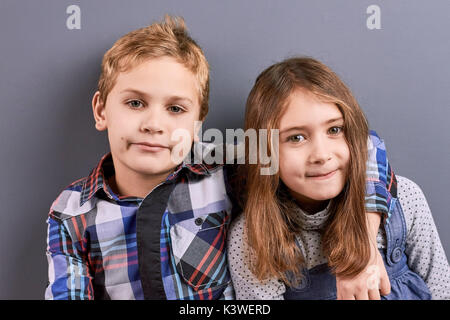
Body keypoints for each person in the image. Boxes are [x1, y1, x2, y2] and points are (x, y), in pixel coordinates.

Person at [45, 15, 393, 300]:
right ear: (101, 109)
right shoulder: (71, 212)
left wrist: (363, 245)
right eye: (135, 103)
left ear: (198, 125)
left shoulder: (222, 172)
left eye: (176, 108)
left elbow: (364, 145)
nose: (154, 125)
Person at [227, 57, 450, 300]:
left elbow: (441, 289)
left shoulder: (404, 200)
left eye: (334, 130)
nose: (322, 155)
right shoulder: (254, 237)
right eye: (296, 138)